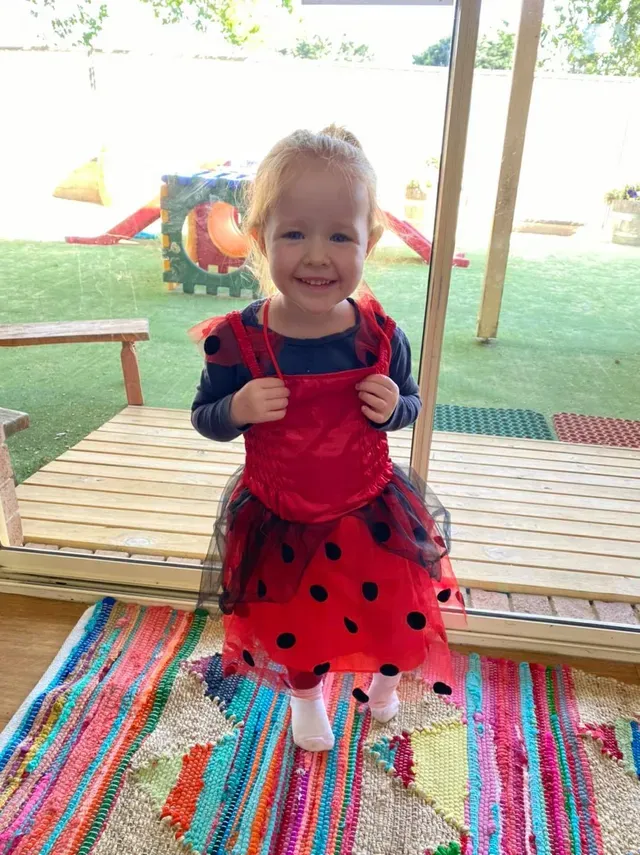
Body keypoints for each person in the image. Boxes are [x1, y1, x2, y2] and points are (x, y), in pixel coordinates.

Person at [190, 125, 464, 752]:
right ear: (260, 240)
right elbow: (205, 417)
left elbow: (411, 403)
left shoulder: (380, 334)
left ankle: (384, 686)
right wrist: (237, 405)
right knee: (296, 625)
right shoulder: (235, 340)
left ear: (373, 239)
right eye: (295, 233)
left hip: (370, 513)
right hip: (280, 518)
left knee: (392, 613)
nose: (317, 255)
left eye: (341, 235)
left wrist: (396, 406)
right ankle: (306, 699)